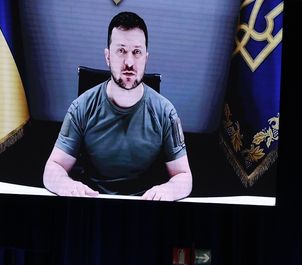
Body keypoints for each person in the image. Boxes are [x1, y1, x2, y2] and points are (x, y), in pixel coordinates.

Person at [42, 11, 192, 200]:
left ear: (146, 57)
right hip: (93, 204)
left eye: (137, 52)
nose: (129, 62)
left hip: (146, 207)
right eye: (121, 51)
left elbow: (184, 176)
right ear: (107, 56)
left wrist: (168, 191)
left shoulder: (165, 112)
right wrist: (68, 186)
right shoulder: (81, 107)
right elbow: (52, 168)